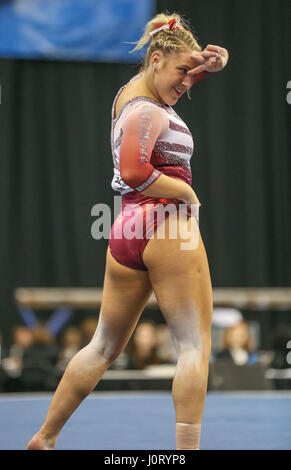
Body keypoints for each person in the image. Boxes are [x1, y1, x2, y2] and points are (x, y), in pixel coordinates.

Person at [27, 12, 228, 450]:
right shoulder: (145, 111)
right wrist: (188, 196)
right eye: (182, 72)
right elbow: (137, 172)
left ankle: (45, 436)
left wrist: (208, 66)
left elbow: (167, 88)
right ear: (156, 59)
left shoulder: (131, 95)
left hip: (127, 228)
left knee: (102, 346)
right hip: (166, 225)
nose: (186, 83)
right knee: (194, 348)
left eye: (191, 75)